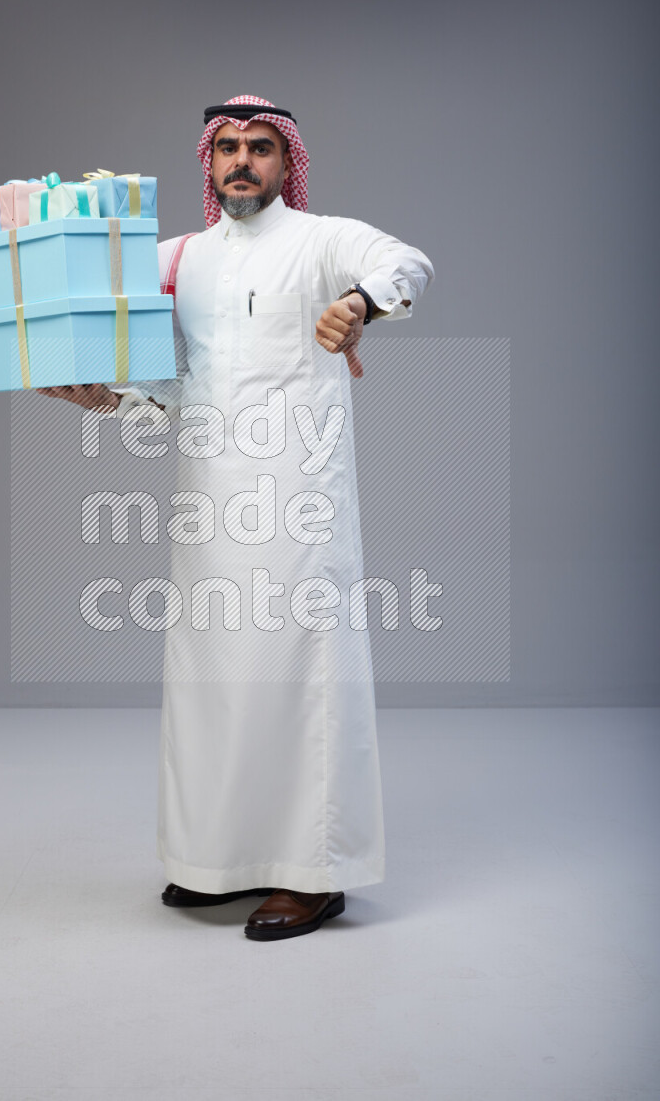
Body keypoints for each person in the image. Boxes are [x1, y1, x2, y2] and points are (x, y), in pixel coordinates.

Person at [37, 95, 434, 941]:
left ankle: (312, 875)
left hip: (301, 501)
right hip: (210, 500)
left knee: (302, 681)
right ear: (209, 164)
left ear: (286, 162)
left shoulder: (326, 241)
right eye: (228, 148)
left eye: (260, 147)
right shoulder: (180, 258)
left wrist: (360, 303)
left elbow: (408, 262)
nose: (243, 160)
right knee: (213, 684)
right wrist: (108, 399)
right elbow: (179, 388)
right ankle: (219, 860)